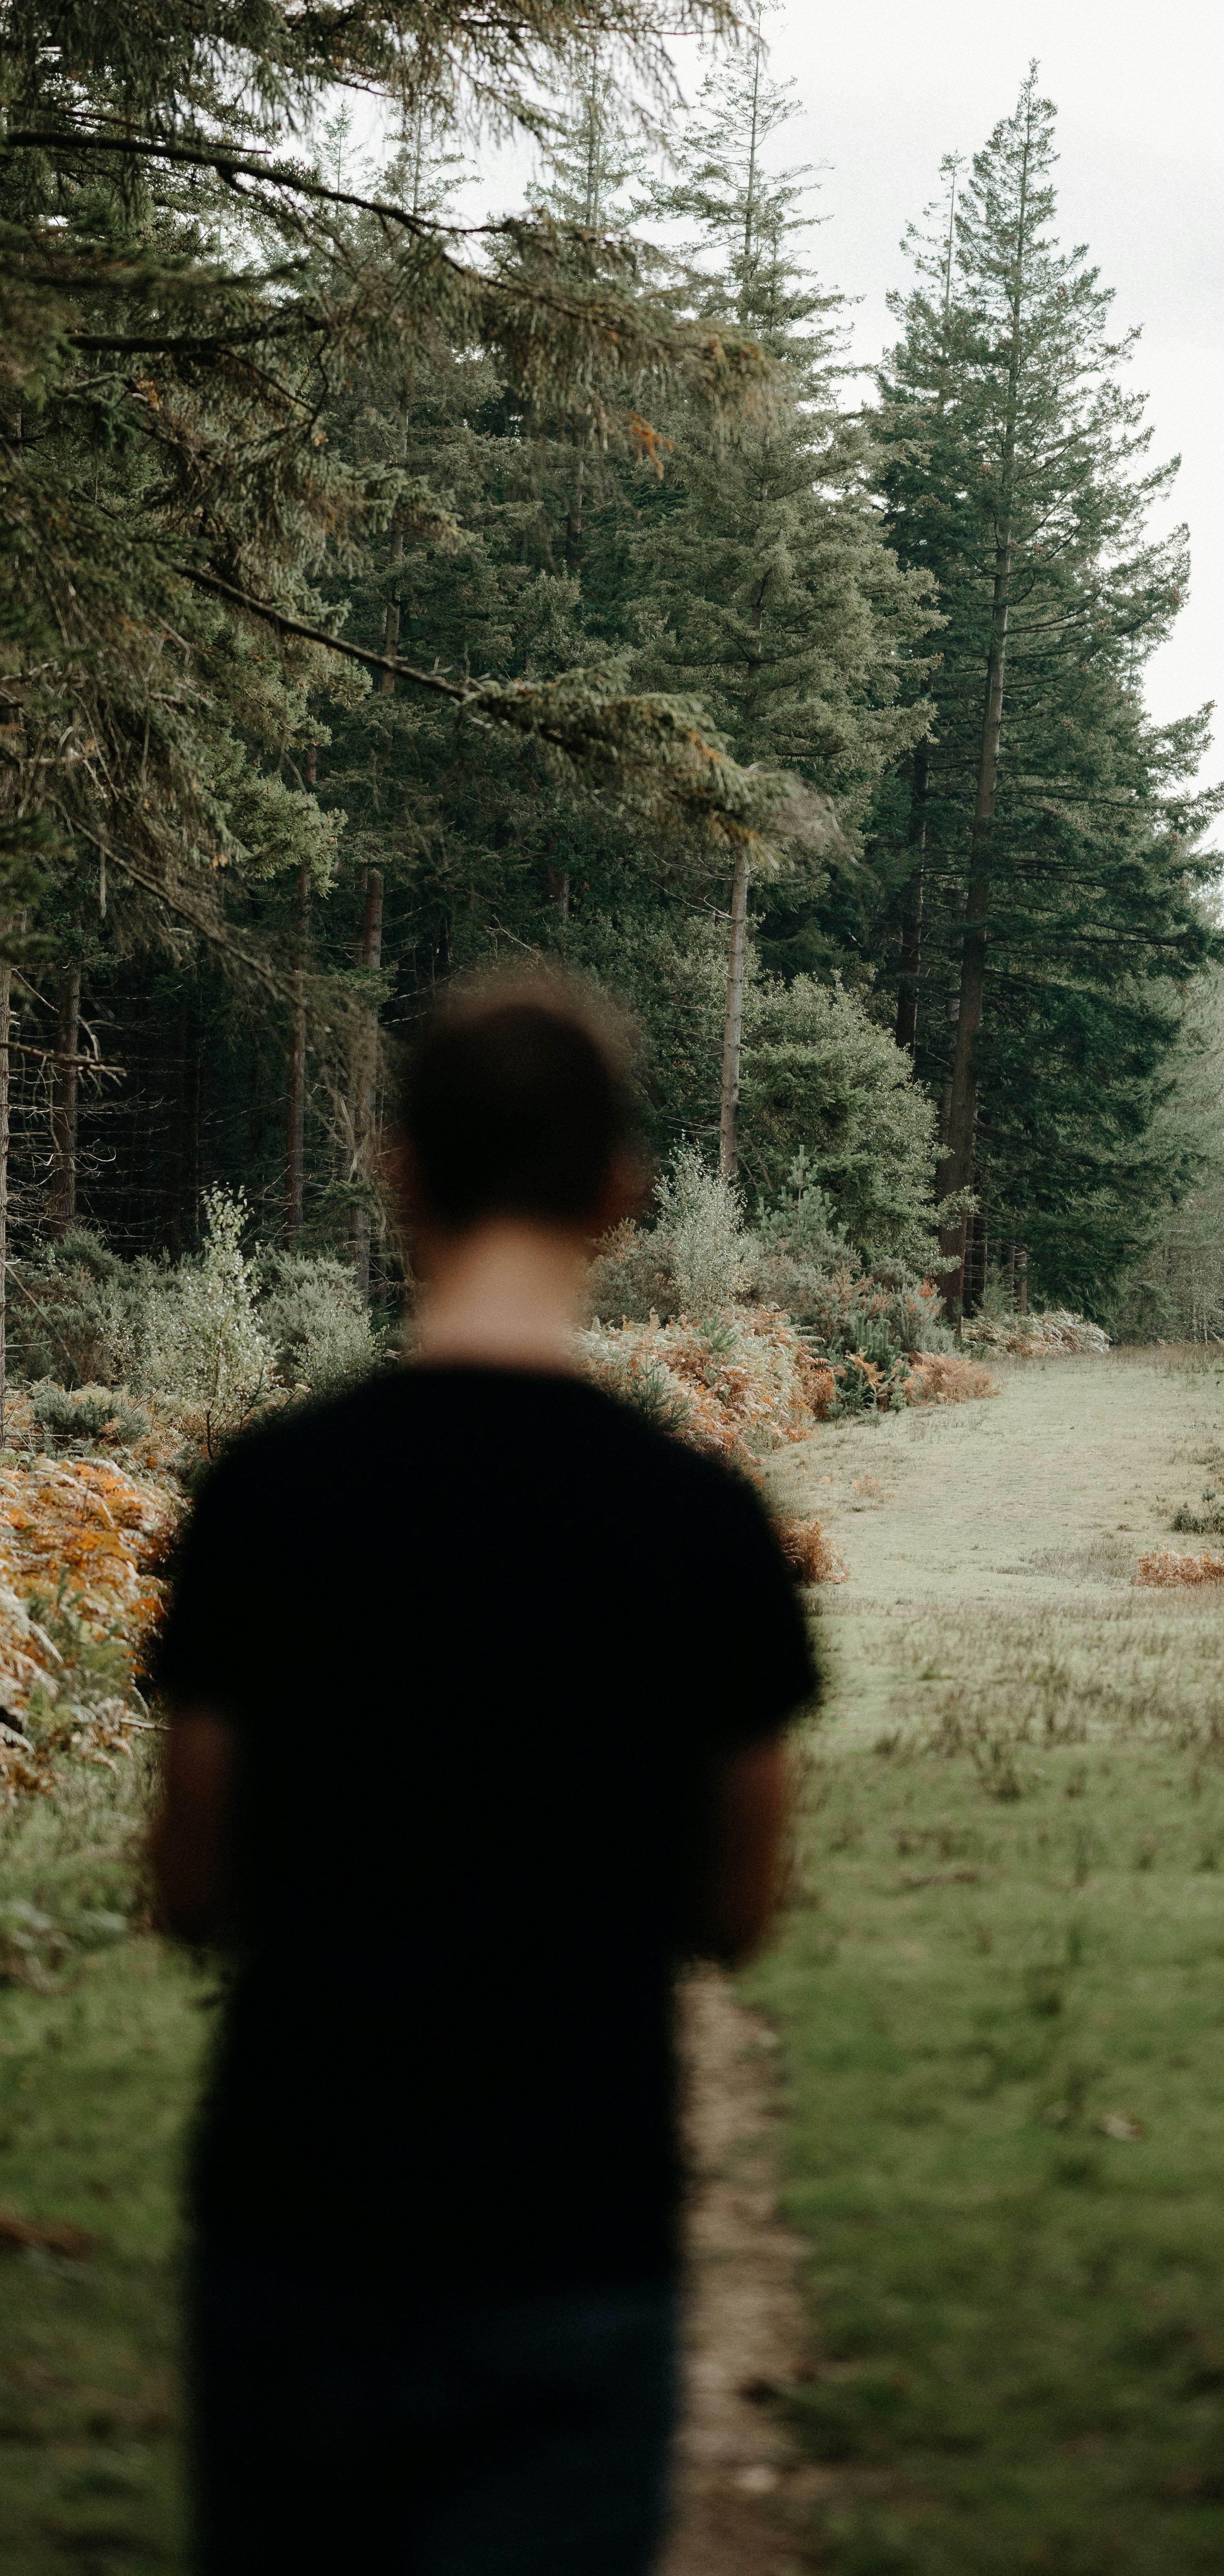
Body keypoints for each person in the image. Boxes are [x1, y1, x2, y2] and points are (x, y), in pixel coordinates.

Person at [147, 975, 820, 2576]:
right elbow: (737, 1909)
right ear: (620, 1193)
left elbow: (186, 1885)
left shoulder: (266, 1494)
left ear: (399, 1171)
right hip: (570, 2226)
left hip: (296, 2215)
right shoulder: (699, 1522)